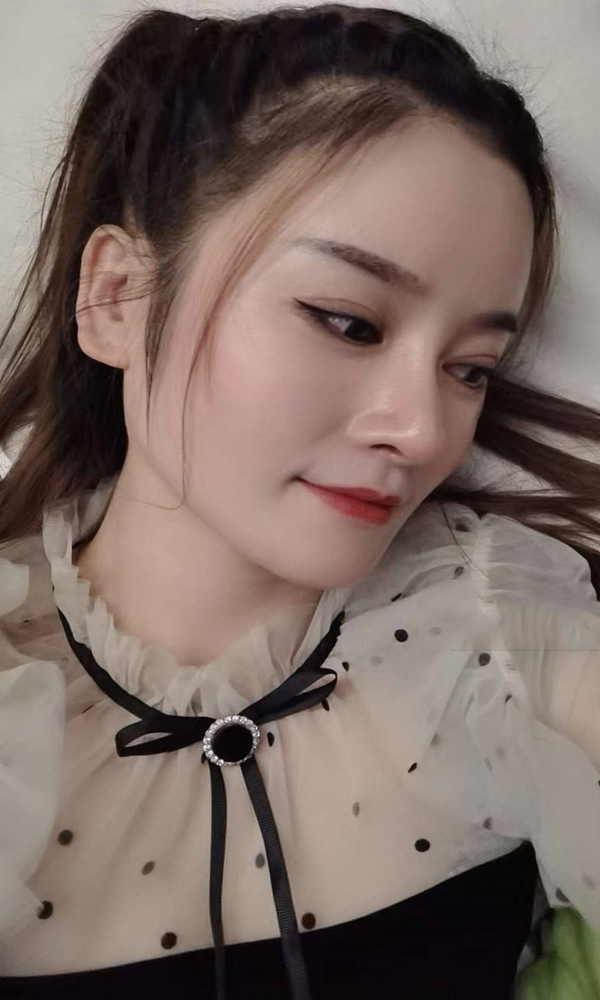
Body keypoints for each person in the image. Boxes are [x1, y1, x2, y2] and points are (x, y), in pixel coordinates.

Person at [0, 4, 598, 998]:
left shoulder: (500, 634)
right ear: (116, 296)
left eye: (471, 368)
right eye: (348, 321)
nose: (424, 430)